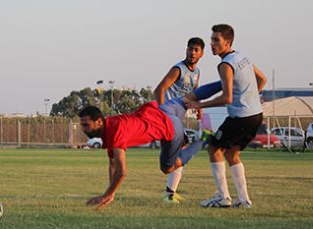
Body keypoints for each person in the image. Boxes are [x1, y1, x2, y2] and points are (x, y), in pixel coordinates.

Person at [81, 83, 219, 209]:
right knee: (189, 98)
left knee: (168, 168)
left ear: (99, 122)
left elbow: (121, 171)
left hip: (170, 127)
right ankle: (224, 82)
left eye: (86, 125)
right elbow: (112, 164)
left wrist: (106, 195)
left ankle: (203, 139)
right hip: (163, 110)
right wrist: (111, 193)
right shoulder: (109, 124)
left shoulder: (114, 132)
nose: (83, 129)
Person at [186, 24, 267, 208]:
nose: (212, 44)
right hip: (256, 115)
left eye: (216, 40)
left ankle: (223, 197)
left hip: (240, 117)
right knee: (232, 153)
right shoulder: (242, 57)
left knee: (214, 148)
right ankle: (244, 200)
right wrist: (251, 98)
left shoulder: (225, 65)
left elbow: (227, 97)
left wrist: (200, 104)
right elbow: (262, 80)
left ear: (227, 42)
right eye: (212, 39)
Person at [153, 37, 205, 202]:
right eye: (190, 49)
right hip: (170, 118)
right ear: (186, 50)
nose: (192, 52)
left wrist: (198, 108)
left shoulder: (196, 73)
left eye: (196, 50)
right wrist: (163, 114)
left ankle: (170, 193)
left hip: (178, 119)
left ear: (201, 53)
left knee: (181, 154)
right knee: (180, 155)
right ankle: (169, 194)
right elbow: (159, 89)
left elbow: (195, 92)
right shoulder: (178, 69)